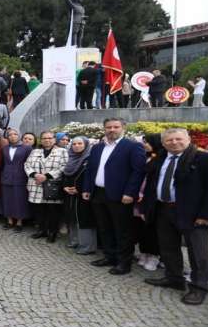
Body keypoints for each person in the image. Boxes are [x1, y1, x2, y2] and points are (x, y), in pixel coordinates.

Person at [142, 128, 208, 305]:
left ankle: (199, 288)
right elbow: (152, 184)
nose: (174, 142)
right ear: (163, 143)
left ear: (188, 139)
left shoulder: (206, 159)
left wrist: (207, 215)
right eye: (169, 140)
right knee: (168, 247)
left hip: (194, 214)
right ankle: (174, 278)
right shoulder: (160, 158)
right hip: (164, 209)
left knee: (197, 253)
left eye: (178, 139)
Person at [82, 118, 146, 275]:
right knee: (104, 228)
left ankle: (124, 262)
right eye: (108, 127)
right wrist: (87, 188)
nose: (112, 130)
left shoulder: (133, 146)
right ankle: (109, 256)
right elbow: (91, 169)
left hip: (120, 195)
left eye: (115, 127)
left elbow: (138, 171)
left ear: (123, 127)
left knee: (122, 230)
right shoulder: (97, 148)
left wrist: (130, 192)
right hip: (98, 193)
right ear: (104, 129)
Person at [24, 131, 69, 243]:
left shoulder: (62, 151)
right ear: (41, 140)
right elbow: (27, 165)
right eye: (44, 138)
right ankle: (41, 230)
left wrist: (47, 176)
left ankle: (52, 232)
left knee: (52, 210)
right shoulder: (35, 151)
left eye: (50, 138)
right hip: (36, 184)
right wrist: (35, 175)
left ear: (54, 139)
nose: (47, 140)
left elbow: (64, 167)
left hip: (52, 185)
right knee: (39, 210)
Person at [62, 136, 96, 254]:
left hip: (83, 195)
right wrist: (64, 187)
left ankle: (87, 246)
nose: (76, 146)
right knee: (71, 218)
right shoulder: (69, 158)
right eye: (74, 144)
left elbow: (92, 178)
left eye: (80, 143)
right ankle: (74, 241)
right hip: (69, 194)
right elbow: (65, 175)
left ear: (86, 145)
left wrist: (80, 189)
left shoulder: (90, 158)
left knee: (84, 219)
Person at [134, 134, 162, 271]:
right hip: (139, 199)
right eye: (144, 142)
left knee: (152, 229)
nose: (145, 144)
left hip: (152, 199)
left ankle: (154, 256)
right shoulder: (146, 156)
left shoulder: (161, 158)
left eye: (148, 142)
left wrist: (144, 195)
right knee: (140, 228)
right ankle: (144, 252)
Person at [1, 128, 33, 232]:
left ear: (19, 135)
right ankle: (9, 220)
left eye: (15, 134)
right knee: (7, 198)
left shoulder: (26, 148)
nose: (12, 136)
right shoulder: (5, 148)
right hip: (6, 176)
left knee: (19, 199)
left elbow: (29, 163)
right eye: (10, 134)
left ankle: (19, 222)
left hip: (21, 176)